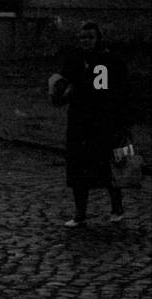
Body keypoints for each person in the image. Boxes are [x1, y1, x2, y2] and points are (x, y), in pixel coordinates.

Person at [52, 21, 129, 226]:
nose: (85, 41)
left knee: (107, 166)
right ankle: (80, 213)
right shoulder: (75, 59)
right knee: (77, 168)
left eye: (90, 37)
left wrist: (119, 121)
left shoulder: (107, 60)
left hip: (102, 121)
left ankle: (116, 207)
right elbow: (64, 86)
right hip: (78, 121)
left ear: (98, 39)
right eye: (82, 38)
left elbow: (115, 90)